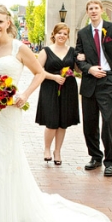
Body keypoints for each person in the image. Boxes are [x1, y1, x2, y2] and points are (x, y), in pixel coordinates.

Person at [0, 5, 111, 222]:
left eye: (0, 21)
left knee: (3, 155)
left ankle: (6, 215)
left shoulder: (19, 47)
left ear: (8, 22)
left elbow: (39, 72)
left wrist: (24, 95)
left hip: (9, 109)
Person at [75, 0, 112, 177]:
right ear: (87, 12)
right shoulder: (83, 33)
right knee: (89, 124)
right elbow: (78, 56)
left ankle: (110, 162)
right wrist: (89, 68)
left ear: (102, 10)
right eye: (90, 8)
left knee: (107, 122)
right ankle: (95, 157)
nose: (93, 11)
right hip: (89, 83)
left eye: (96, 8)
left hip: (108, 81)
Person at [35, 22, 79, 166]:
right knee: (52, 121)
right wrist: (54, 77)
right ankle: (47, 149)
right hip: (50, 88)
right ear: (54, 34)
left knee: (63, 123)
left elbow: (78, 70)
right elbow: (37, 70)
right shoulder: (46, 51)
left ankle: (58, 151)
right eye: (59, 33)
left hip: (68, 88)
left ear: (68, 36)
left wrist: (81, 59)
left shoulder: (72, 51)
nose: (62, 36)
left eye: (65, 34)